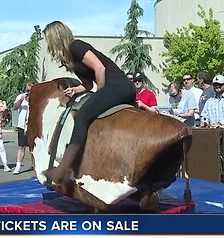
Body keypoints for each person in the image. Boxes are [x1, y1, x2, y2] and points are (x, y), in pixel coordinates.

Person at [42, 21, 135, 184]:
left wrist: (99, 95)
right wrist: (75, 90)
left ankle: (64, 169)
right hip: (116, 88)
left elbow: (100, 69)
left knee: (82, 117)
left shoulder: (76, 46)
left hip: (118, 86)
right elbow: (87, 84)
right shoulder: (71, 59)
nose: (48, 45)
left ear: (55, 38)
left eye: (49, 41)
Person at [13, 82, 33, 175]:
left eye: (30, 90)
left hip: (33, 125)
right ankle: (18, 166)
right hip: (22, 125)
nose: (28, 92)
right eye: (27, 90)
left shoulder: (37, 97)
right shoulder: (21, 96)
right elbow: (15, 107)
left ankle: (36, 166)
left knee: (34, 147)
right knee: (21, 146)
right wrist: (21, 100)